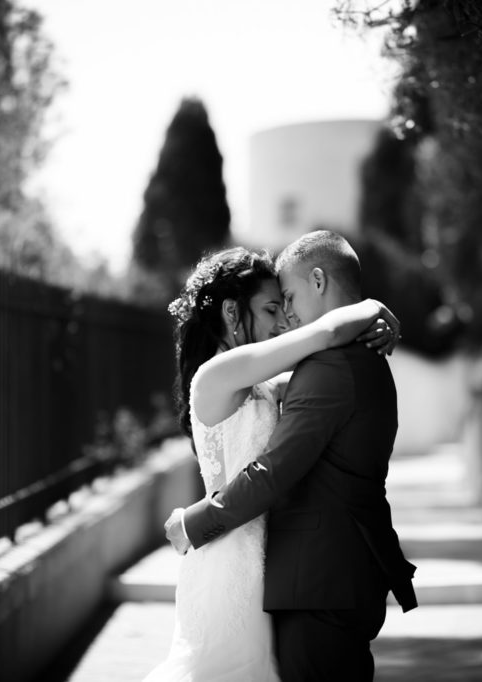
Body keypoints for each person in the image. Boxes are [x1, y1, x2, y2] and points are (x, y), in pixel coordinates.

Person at [164, 230, 418, 681]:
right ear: (230, 312)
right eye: (271, 308)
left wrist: (362, 313)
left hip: (282, 570)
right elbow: (327, 331)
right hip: (236, 564)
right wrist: (371, 308)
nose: (284, 321)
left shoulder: (285, 378)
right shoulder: (218, 375)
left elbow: (323, 344)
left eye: (286, 303)